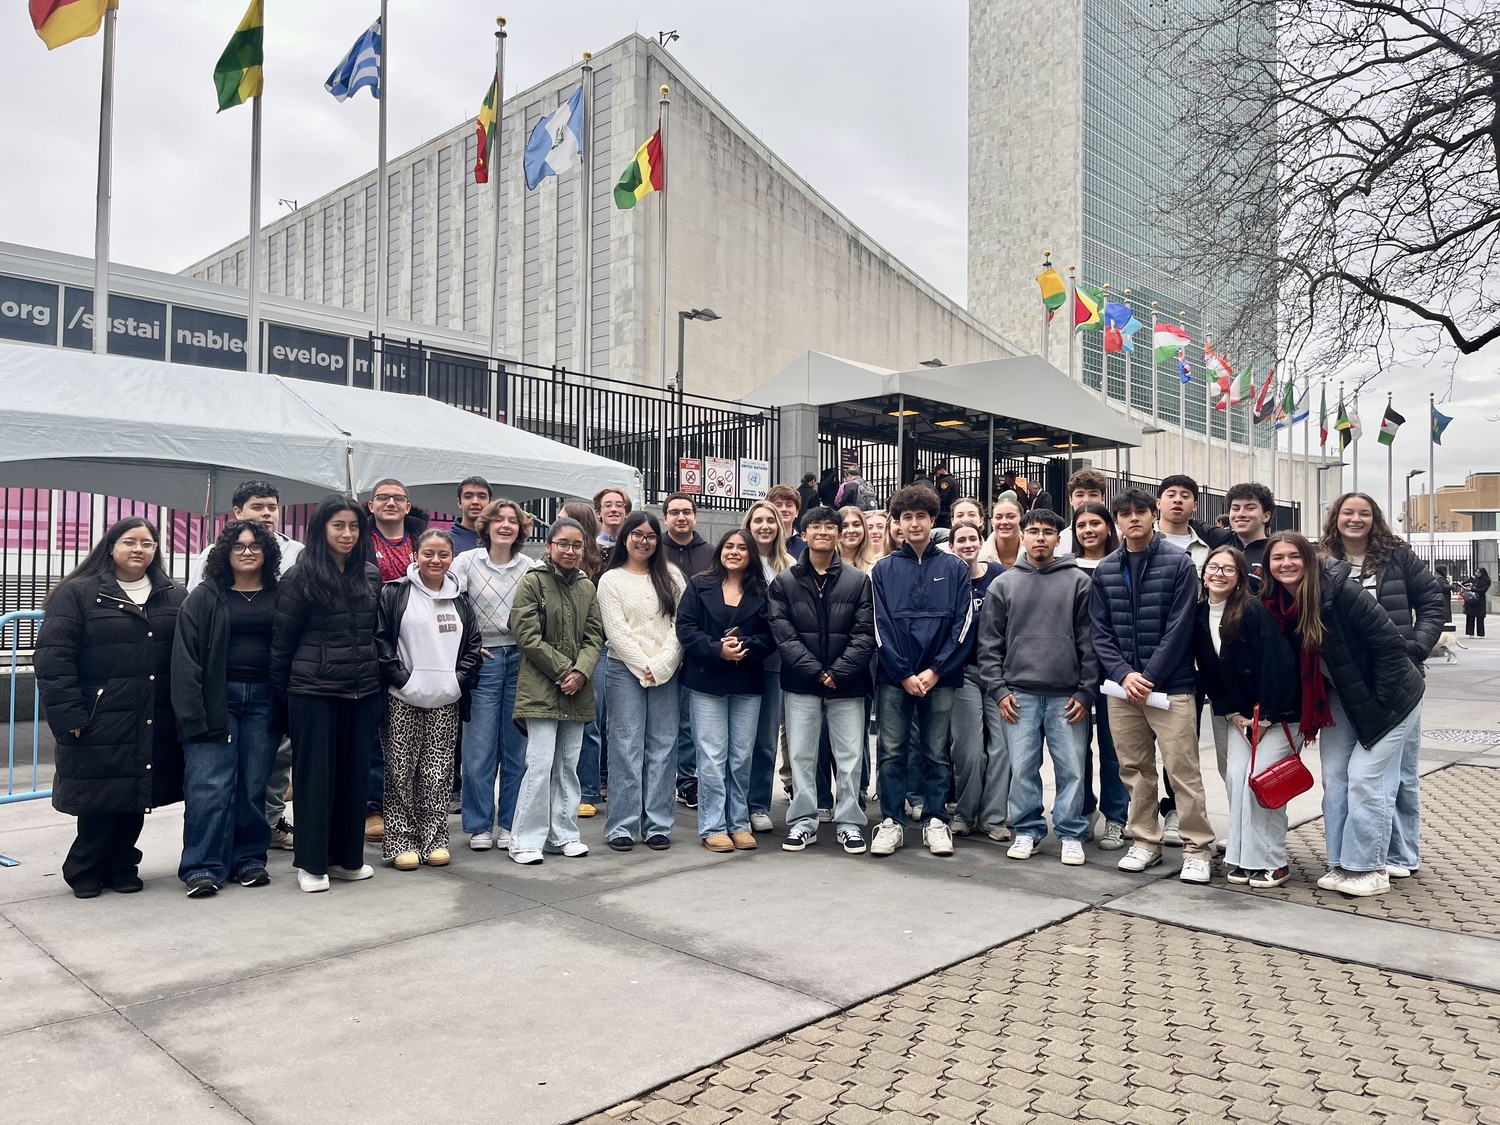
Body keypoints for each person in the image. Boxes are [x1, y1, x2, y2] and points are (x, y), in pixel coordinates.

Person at [1261, 531, 1424, 897]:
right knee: (1336, 779)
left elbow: (1391, 647)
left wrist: (1380, 703)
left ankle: (1370, 867)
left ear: (1308, 557)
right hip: (1337, 695)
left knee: (1366, 778)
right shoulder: (1276, 603)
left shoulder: (1341, 591)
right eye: (1277, 558)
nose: (1286, 563)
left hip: (1391, 697)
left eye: (1293, 556)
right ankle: (1341, 862)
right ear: (1268, 565)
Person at [38, 517, 185, 899]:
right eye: (130, 542)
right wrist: (68, 712)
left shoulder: (172, 594)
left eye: (147, 544)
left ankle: (122, 864)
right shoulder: (78, 593)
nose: (139, 549)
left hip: (153, 714)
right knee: (100, 798)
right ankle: (85, 867)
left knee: (137, 792)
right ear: (111, 546)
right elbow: (54, 659)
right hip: (99, 714)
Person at [1090, 488, 1215, 883]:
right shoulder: (1106, 569)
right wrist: (1125, 673)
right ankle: (1145, 841)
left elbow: (1180, 628)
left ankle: (1197, 848)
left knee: (1182, 769)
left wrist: (1150, 676)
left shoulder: (1178, 564)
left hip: (1172, 685)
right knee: (1135, 768)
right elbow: (1100, 631)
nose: (1133, 519)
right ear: (1117, 522)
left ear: (1152, 513)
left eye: (1140, 511)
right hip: (1123, 689)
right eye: (1124, 514)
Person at [1319, 493, 1446, 880]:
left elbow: (1432, 603)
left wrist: (1417, 648)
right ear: (1335, 518)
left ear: (1375, 519)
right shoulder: (1321, 558)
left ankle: (1401, 855)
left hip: (1394, 681)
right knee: (1340, 776)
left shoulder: (1398, 556)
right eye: (1348, 512)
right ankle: (1346, 856)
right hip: (1340, 682)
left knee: (1401, 775)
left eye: (1365, 513)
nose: (1355, 519)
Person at [271, 496, 382, 893]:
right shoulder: (299, 577)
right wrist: (281, 700)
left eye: (354, 526)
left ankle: (346, 859)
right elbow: (281, 644)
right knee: (315, 779)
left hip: (363, 690)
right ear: (321, 529)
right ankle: (312, 863)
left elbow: (376, 633)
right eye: (339, 526)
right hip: (312, 691)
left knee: (354, 778)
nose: (347, 534)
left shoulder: (370, 574)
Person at [185, 479, 302, 851]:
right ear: (237, 513)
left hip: (271, 684)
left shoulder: (297, 552)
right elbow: (195, 614)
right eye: (257, 506)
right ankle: (211, 852)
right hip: (223, 686)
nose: (266, 513)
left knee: (269, 767)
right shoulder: (210, 560)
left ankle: (264, 831)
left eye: (272, 506)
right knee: (217, 777)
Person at [978, 509, 1097, 865]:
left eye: (1048, 532)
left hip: (1067, 695)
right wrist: (998, 690)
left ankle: (1071, 833)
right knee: (1023, 768)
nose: (1040, 538)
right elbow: (989, 646)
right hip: (1019, 695)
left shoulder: (1079, 582)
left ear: (1058, 538)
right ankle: (1027, 830)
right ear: (1023, 536)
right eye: (1034, 531)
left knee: (1072, 769)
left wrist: (1085, 691)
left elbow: (1090, 644)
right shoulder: (1003, 584)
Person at [172, 520, 282, 897]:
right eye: (239, 546)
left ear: (267, 552)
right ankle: (202, 866)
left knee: (253, 785)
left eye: (255, 545)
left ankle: (248, 859)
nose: (247, 551)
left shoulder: (280, 594)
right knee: (209, 786)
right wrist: (191, 713)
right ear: (225, 553)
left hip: (264, 701)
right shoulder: (205, 596)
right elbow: (184, 658)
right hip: (216, 701)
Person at [869, 485, 973, 858]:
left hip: (939, 679)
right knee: (892, 752)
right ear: (898, 522)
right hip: (895, 679)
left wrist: (935, 670)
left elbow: (963, 625)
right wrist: (902, 672)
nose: (914, 523)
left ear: (933, 520)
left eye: (921, 517)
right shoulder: (882, 570)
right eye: (907, 517)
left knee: (935, 753)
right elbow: (878, 625)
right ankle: (892, 822)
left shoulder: (955, 567)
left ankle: (934, 820)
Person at [769, 506, 877, 854]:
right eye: (815, 526)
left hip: (848, 684)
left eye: (831, 526)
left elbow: (864, 633)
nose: (824, 532)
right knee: (801, 755)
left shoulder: (858, 581)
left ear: (837, 533)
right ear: (803, 534)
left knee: (849, 757)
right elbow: (783, 635)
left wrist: (839, 671)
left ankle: (849, 823)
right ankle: (803, 822)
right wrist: (816, 671)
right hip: (801, 683)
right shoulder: (784, 582)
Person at [376, 529, 483, 869]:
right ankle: (400, 840)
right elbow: (382, 643)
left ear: (452, 558)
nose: (435, 560)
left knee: (438, 773)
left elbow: (473, 648)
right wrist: (402, 680)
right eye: (428, 553)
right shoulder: (395, 593)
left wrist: (457, 682)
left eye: (443, 554)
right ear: (415, 555)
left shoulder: (461, 600)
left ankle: (434, 838)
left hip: (446, 699)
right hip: (401, 697)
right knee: (399, 771)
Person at [1194, 544, 1300, 888]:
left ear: (1240, 578)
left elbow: (1277, 664)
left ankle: (1273, 861)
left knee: (1260, 781)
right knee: (1237, 778)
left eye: (1228, 569)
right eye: (1214, 567)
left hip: (1277, 713)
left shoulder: (1252, 612)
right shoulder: (1198, 615)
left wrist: (1266, 716)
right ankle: (1241, 858)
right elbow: (1210, 674)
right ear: (1204, 572)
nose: (1219, 574)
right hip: (1242, 717)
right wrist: (1234, 715)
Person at [508, 518, 604, 864]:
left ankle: (563, 834)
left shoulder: (587, 587)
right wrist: (565, 670)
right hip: (540, 689)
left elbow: (595, 637)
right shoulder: (533, 582)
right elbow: (525, 633)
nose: (570, 551)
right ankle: (524, 840)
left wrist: (581, 671)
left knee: (567, 764)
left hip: (577, 690)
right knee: (539, 763)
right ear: (548, 546)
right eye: (563, 543)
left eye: (577, 545)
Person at [676, 530, 775, 851]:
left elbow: (773, 635)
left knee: (740, 756)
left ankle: (739, 822)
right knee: (712, 755)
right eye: (729, 546)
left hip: (746, 680)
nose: (734, 552)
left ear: (750, 555)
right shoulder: (699, 584)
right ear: (720, 550)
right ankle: (713, 826)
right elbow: (685, 627)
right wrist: (717, 649)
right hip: (707, 680)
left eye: (741, 548)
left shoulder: (763, 590)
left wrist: (745, 645)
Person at [450, 499, 536, 850]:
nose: (505, 525)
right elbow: (449, 605)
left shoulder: (531, 566)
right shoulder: (465, 561)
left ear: (520, 528)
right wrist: (466, 648)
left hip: (521, 659)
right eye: (498, 519)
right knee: (479, 748)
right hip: (482, 660)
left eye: (512, 520)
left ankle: (512, 823)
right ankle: (480, 824)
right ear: (485, 526)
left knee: (517, 748)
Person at [599, 511, 687, 851]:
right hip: (624, 671)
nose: (643, 541)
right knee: (625, 746)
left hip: (667, 670)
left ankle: (658, 824)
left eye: (650, 536)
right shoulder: (611, 580)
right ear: (625, 538)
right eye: (636, 534)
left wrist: (663, 663)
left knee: (663, 746)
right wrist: (644, 665)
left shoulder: (672, 576)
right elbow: (615, 631)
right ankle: (622, 824)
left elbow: (682, 623)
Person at [364, 477, 428, 842]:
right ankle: (373, 806)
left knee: (415, 731)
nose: (390, 503)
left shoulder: (423, 540)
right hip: (372, 646)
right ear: (371, 506)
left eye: (397, 498)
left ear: (407, 506)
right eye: (382, 498)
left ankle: (415, 806)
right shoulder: (358, 540)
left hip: (419, 646)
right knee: (378, 731)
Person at [1070, 501, 1127, 849]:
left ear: (1109, 527)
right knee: (1077, 747)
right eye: (1081, 525)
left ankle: (1116, 817)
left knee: (1114, 745)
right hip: (1073, 669)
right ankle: (1084, 809)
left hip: (1113, 667)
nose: (1088, 530)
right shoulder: (1067, 567)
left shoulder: (1121, 564)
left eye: (1095, 523)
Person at [947, 520, 1008, 840]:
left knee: (1002, 748)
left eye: (973, 539)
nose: (967, 544)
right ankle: (965, 813)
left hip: (999, 674)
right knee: (969, 750)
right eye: (961, 540)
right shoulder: (949, 579)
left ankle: (994, 818)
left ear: (981, 541)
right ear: (952, 546)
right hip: (964, 675)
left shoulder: (999, 575)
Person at [742, 500, 794, 831]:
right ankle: (732, 802)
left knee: (764, 738)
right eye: (757, 520)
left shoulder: (790, 565)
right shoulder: (738, 560)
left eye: (770, 520)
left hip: (775, 662)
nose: (764, 526)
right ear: (748, 525)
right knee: (737, 739)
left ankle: (758, 804)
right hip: (740, 659)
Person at [661, 492, 713, 811]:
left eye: (687, 512)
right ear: (665, 517)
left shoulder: (711, 553)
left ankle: (688, 779)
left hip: (697, 646)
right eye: (674, 512)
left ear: (695, 516)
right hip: (659, 646)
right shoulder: (654, 551)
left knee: (689, 719)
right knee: (664, 719)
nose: (681, 517)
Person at [563, 501, 609, 815]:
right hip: (560, 648)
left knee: (590, 722)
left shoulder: (603, 561)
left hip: (595, 647)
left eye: (564, 519)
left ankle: (589, 792)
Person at [1209, 482, 1274, 590]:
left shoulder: (1275, 551)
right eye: (1235, 508)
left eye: (1250, 508)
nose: (1241, 514)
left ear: (1266, 516)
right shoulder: (1220, 539)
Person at [1155, 475, 1212, 573]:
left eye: (1185, 496)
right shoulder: (1141, 541)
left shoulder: (1206, 550)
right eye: (1171, 495)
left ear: (1195, 506)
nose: (1177, 500)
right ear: (1158, 503)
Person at [1056, 469, 1108, 553]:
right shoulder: (1062, 538)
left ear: (1103, 498)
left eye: (1093, 494)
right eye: (1080, 495)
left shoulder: (1119, 535)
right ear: (1070, 499)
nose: (1086, 500)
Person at [448, 476, 492, 555]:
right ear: (459, 502)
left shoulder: (500, 539)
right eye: (468, 497)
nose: (475, 502)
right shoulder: (446, 540)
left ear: (490, 502)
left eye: (482, 497)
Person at [978, 496, 1024, 568]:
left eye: (1011, 517)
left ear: (1022, 521)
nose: (1004, 522)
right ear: (992, 522)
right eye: (999, 517)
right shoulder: (979, 554)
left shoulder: (1033, 554)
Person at [768, 484, 807, 559]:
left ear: (797, 512)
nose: (784, 509)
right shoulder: (762, 545)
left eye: (789, 505)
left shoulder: (806, 547)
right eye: (778, 505)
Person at [837, 504, 877, 572]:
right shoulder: (825, 565)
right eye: (844, 526)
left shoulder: (876, 566)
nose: (851, 530)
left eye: (856, 525)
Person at [593, 487, 632, 552]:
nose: (613, 509)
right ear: (598, 513)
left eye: (619, 505)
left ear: (627, 513)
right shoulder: (591, 547)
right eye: (608, 505)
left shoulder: (632, 547)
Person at [1463, 567, 1491, 637]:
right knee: (1470, 616)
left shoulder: (1486, 581)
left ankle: (1480, 633)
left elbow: (1483, 590)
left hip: (1479, 600)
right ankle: (1470, 632)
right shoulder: (1473, 579)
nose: (1477, 574)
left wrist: (1472, 589)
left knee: (1480, 617)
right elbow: (1465, 583)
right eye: (1476, 572)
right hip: (1472, 599)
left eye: (1479, 572)